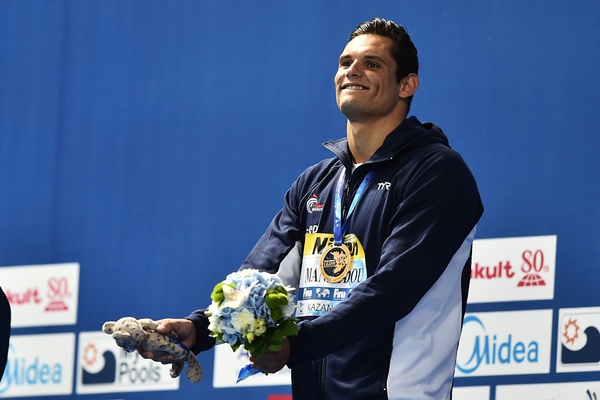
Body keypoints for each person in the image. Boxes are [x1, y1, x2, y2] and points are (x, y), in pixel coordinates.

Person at [140, 17, 483, 399]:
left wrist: (297, 344)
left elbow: (394, 288)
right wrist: (200, 329)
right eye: (345, 62)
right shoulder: (315, 183)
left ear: (407, 85)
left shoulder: (438, 172)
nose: (353, 71)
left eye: (372, 63)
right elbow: (258, 278)